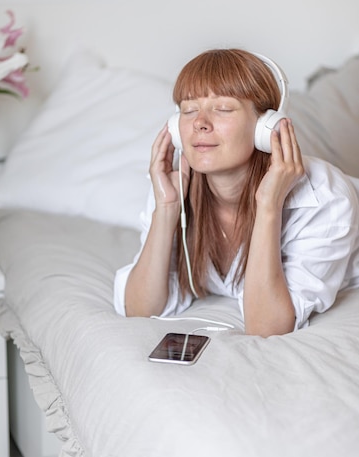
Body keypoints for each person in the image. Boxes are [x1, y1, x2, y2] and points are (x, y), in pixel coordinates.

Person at [113, 49, 359, 337]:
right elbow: (139, 309)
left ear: (265, 128)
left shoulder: (325, 198)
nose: (199, 123)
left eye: (223, 108)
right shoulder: (174, 184)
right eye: (189, 109)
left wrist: (268, 206)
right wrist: (166, 208)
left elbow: (266, 326)